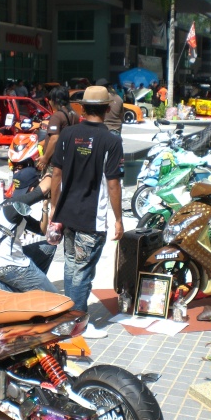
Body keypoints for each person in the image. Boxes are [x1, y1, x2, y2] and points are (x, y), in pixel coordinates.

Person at [50, 85, 125, 318]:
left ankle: (69, 318)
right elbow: (113, 183)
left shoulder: (68, 134)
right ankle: (77, 322)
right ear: (108, 108)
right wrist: (119, 219)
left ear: (82, 108)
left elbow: (56, 175)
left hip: (68, 215)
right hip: (91, 219)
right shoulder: (111, 141)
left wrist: (54, 209)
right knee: (82, 271)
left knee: (72, 266)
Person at [0, 167, 57, 293]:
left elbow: (41, 230)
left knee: (48, 247)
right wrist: (53, 172)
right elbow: (44, 188)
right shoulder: (15, 206)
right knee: (54, 298)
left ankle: (31, 285)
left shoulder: (12, 206)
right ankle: (16, 289)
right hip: (10, 265)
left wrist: (45, 207)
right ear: (32, 188)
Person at [36, 86, 79, 173]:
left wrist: (45, 158)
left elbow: (54, 139)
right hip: (69, 157)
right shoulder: (74, 114)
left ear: (55, 100)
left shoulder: (57, 116)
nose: (50, 101)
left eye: (51, 99)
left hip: (56, 161)